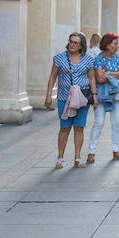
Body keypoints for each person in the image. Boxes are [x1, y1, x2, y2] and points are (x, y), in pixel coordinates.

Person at [44, 31, 97, 169]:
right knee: (65, 128)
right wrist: (49, 95)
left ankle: (78, 158)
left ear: (81, 46)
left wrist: (95, 97)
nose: (72, 44)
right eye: (70, 41)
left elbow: (91, 78)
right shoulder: (59, 58)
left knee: (79, 127)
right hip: (64, 98)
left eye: (75, 43)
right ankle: (60, 158)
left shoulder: (88, 59)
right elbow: (52, 77)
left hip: (82, 99)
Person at [89, 33, 119, 161]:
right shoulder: (99, 58)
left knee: (117, 123)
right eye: (115, 44)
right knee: (98, 123)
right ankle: (91, 151)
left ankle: (116, 150)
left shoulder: (117, 58)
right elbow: (99, 78)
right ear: (107, 45)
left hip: (115, 95)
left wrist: (109, 73)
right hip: (101, 95)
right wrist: (115, 75)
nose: (117, 46)